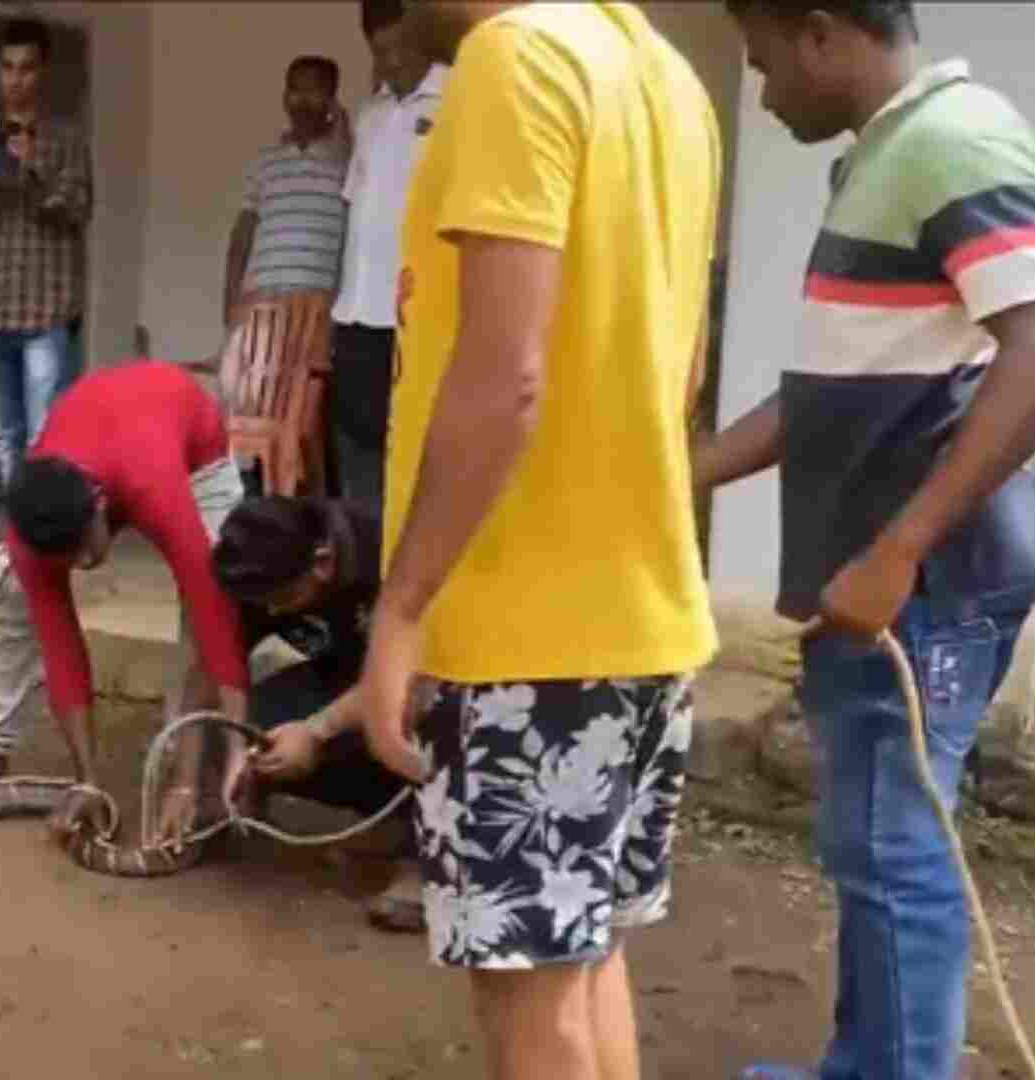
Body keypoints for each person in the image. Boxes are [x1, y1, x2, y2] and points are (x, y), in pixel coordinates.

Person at [706, 3, 1035, 1078]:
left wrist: (899, 549)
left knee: (895, 851)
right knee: (869, 844)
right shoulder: (881, 159)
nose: (766, 88)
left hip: (925, 587)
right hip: (877, 582)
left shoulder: (955, 140)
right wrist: (678, 473)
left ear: (821, 33)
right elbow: (831, 397)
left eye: (765, 59)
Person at [352, 3, 723, 1078]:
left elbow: (503, 372)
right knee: (584, 962)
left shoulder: (516, 61)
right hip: (641, 612)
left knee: (529, 1005)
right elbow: (680, 371)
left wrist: (403, 607)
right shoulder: (664, 78)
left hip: (526, 628)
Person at [0, 360, 252, 848]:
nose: (84, 565)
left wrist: (233, 752)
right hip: (109, 437)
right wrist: (87, 782)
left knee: (210, 591)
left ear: (102, 505)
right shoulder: (31, 534)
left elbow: (213, 617)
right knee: (10, 590)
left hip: (189, 446)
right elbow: (61, 646)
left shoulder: (155, 486)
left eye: (85, 548)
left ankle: (189, 762)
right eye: (69, 558)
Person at [212, 495, 422, 931]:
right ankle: (382, 823)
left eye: (283, 598)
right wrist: (233, 756)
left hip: (420, 682)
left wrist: (315, 731)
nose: (272, 613)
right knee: (251, 720)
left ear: (322, 562)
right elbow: (218, 667)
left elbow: (417, 673)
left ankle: (425, 861)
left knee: (431, 719)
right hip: (347, 684)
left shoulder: (390, 552)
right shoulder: (269, 562)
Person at [0, 17, 93, 486]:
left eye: (27, 68)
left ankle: (39, 546)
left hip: (44, 311)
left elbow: (77, 209)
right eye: (8, 67)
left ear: (42, 72)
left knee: (43, 440)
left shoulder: (66, 138)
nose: (16, 79)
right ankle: (18, 540)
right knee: (4, 436)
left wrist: (31, 169)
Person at [328, 0, 449, 505]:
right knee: (356, 446)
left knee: (413, 450)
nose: (391, 62)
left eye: (399, 48)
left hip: (413, 318)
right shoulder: (371, 114)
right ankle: (366, 568)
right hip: (356, 314)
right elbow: (353, 215)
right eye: (379, 52)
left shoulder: (456, 101)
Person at [222, 56, 352, 329]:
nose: (302, 100)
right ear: (284, 96)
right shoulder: (264, 162)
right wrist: (231, 305)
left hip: (319, 307)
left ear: (332, 99)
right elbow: (241, 239)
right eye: (295, 90)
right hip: (260, 304)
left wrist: (344, 133)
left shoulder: (347, 163)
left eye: (314, 91)